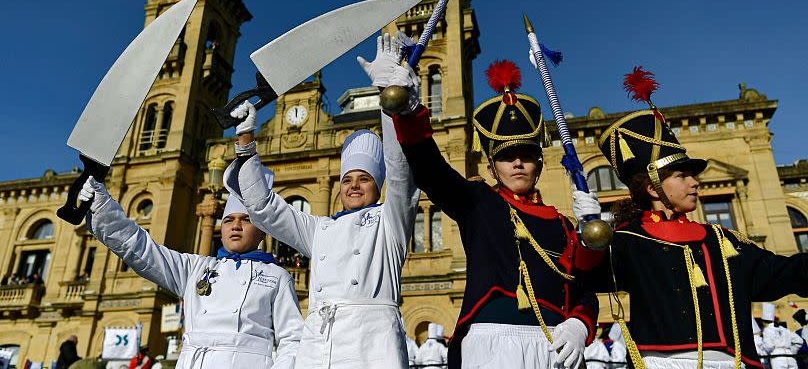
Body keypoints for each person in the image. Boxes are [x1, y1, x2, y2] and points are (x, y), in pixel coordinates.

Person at [378, 54, 603, 369]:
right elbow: (431, 171)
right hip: (494, 345)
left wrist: (580, 324)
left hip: (556, 347)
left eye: (526, 154)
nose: (517, 163)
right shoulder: (478, 203)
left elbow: (585, 288)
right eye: (507, 156)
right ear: (491, 167)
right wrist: (410, 111)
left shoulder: (563, 226)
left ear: (539, 163)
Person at [582, 67, 808, 369]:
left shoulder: (722, 240)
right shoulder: (626, 242)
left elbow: (783, 272)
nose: (695, 183)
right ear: (653, 187)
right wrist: (586, 232)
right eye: (682, 175)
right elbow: (580, 275)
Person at [223, 35, 421, 369]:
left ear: (378, 186)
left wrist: (390, 100)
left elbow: (400, 168)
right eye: (347, 180)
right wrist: (245, 142)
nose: (353, 186)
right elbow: (264, 208)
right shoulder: (320, 228)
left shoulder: (392, 220)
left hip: (371, 344)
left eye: (364, 179)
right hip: (318, 341)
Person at [79, 177, 303, 369]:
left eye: (246, 220)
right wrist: (103, 207)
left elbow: (293, 340)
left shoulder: (277, 277)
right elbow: (142, 249)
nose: (236, 226)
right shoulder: (195, 268)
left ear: (262, 232)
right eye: (228, 220)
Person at [761, 303, 804, 369]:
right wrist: (791, 351)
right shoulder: (784, 329)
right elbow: (799, 341)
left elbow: (769, 346)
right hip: (790, 358)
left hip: (778, 359)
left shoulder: (767, 330)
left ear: (763, 321)